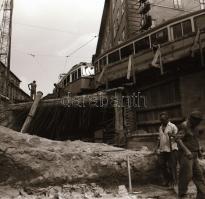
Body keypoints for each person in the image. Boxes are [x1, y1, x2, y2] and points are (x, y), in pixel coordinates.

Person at [175, 110, 205, 199]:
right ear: (193, 119)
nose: (199, 123)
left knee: (199, 175)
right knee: (186, 175)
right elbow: (178, 139)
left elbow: (195, 139)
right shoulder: (184, 126)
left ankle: (202, 194)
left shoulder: (195, 127)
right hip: (186, 155)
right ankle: (182, 194)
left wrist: (199, 150)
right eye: (198, 121)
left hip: (194, 154)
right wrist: (186, 151)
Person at [156, 112, 178, 187]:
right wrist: (156, 147)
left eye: (164, 119)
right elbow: (159, 138)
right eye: (161, 120)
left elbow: (178, 137)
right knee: (161, 164)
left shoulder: (172, 126)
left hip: (172, 149)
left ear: (167, 119)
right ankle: (167, 179)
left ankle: (174, 181)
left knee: (172, 166)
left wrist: (172, 135)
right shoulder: (160, 127)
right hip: (163, 149)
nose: (162, 121)